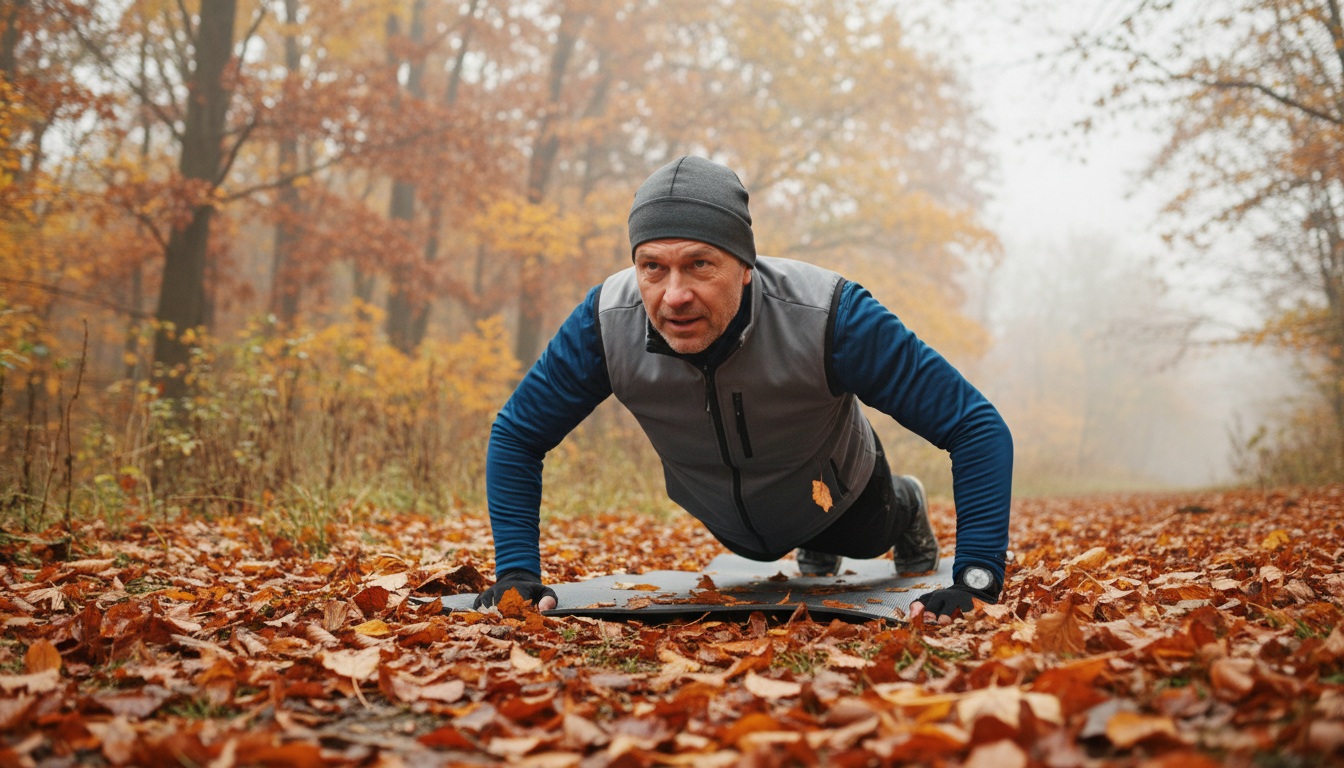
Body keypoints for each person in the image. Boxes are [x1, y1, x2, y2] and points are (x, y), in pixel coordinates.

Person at [473, 156, 1012, 624]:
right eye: (653, 267)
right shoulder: (602, 324)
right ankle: (810, 544)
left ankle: (904, 502)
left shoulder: (832, 316)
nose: (674, 294)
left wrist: (977, 579)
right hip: (729, 518)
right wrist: (517, 573)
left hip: (843, 494)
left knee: (862, 538)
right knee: (756, 550)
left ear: (746, 266)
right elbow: (519, 434)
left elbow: (975, 426)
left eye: (700, 264)